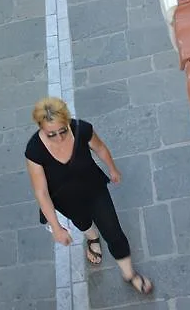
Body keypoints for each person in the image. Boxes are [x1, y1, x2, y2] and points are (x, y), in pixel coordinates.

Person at [25, 97, 154, 296]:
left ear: (68, 122)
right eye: (51, 134)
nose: (59, 138)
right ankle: (92, 238)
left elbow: (100, 147)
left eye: (63, 131)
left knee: (114, 233)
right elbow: (41, 192)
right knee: (83, 223)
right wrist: (57, 229)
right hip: (65, 199)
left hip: (94, 190)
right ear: (40, 127)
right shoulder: (34, 151)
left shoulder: (81, 129)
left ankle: (129, 275)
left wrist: (112, 169)